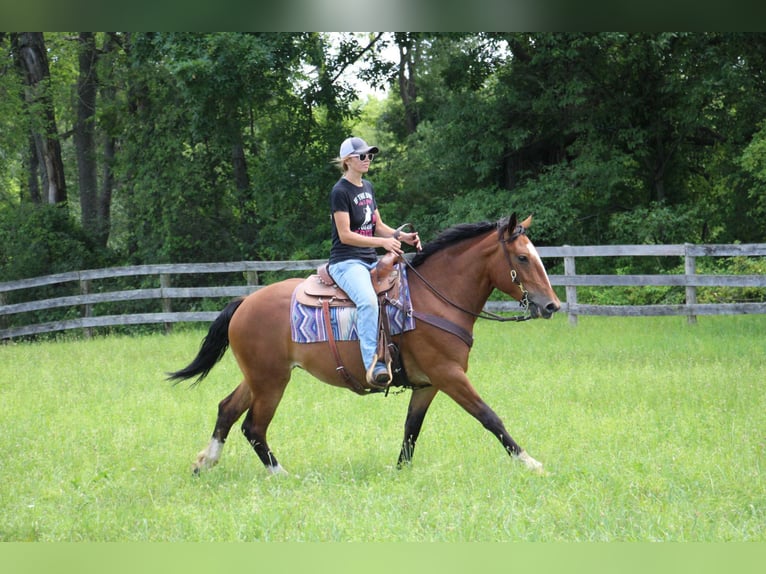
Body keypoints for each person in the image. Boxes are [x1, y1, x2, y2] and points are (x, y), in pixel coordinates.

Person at [328, 136, 421, 387]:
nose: (368, 159)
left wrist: (403, 237)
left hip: (369, 259)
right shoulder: (340, 192)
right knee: (368, 301)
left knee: (405, 289)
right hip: (346, 262)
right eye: (362, 156)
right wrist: (382, 244)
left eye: (370, 155)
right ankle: (374, 363)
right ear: (348, 161)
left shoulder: (367, 187)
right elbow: (346, 235)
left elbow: (377, 226)